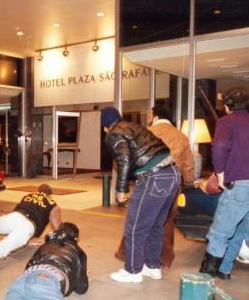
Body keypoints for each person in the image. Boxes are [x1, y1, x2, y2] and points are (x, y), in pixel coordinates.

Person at [101, 106, 181, 283]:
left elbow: (124, 159)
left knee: (135, 226)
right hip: (173, 174)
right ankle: (153, 267)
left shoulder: (113, 133)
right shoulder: (135, 126)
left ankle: (133, 271)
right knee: (155, 225)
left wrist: (121, 189)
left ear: (105, 125)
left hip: (153, 177)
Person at [115, 105, 194, 268]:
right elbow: (188, 165)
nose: (150, 117)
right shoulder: (182, 136)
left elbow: (129, 157)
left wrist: (127, 180)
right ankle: (163, 259)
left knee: (138, 220)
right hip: (173, 181)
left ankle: (129, 259)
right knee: (165, 221)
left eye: (151, 114)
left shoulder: (147, 132)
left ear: (156, 116)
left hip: (149, 179)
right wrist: (189, 182)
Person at [199, 89, 249, 277]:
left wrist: (220, 173)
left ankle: (203, 282)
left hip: (240, 185)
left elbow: (220, 146)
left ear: (227, 106)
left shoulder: (227, 122)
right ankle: (223, 269)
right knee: (240, 229)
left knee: (219, 233)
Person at [0, 184, 62, 277]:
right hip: (28, 226)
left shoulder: (29, 196)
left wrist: (27, 241)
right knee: (4, 247)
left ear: (39, 191)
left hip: (14, 216)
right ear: (50, 195)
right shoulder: (52, 203)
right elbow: (58, 227)